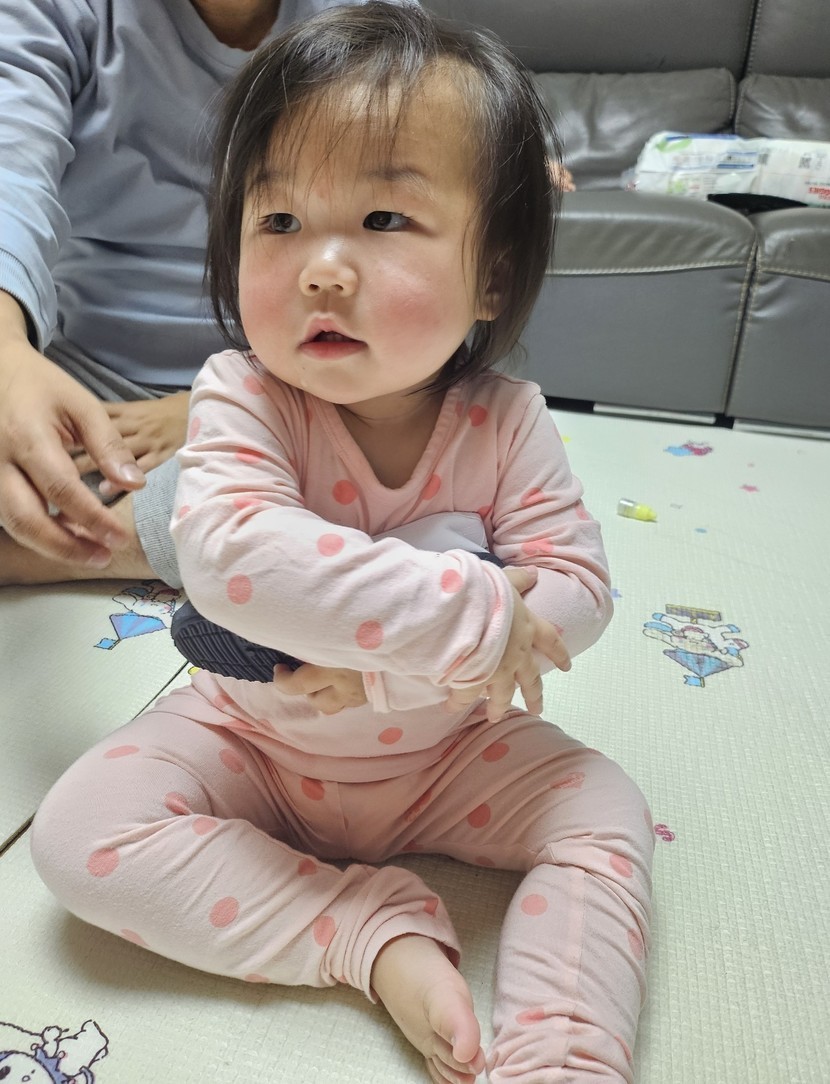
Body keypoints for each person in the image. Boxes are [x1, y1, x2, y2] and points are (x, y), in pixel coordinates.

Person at [31, 6, 654, 1081]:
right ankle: (362, 932)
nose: (320, 267)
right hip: (253, 742)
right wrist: (477, 608)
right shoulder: (241, 396)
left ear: (492, 275)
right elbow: (235, 558)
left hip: (447, 749)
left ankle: (561, 1048)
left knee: (605, 813)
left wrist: (389, 674)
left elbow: (578, 587)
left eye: (382, 219)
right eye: (278, 221)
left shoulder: (507, 420)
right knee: (78, 833)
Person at [0, 0, 408, 589]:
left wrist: (211, 404)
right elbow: (12, 170)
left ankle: (48, 551)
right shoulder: (57, 14)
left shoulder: (375, 21)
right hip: (89, 374)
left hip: (307, 382)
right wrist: (8, 356)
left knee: (399, 458)